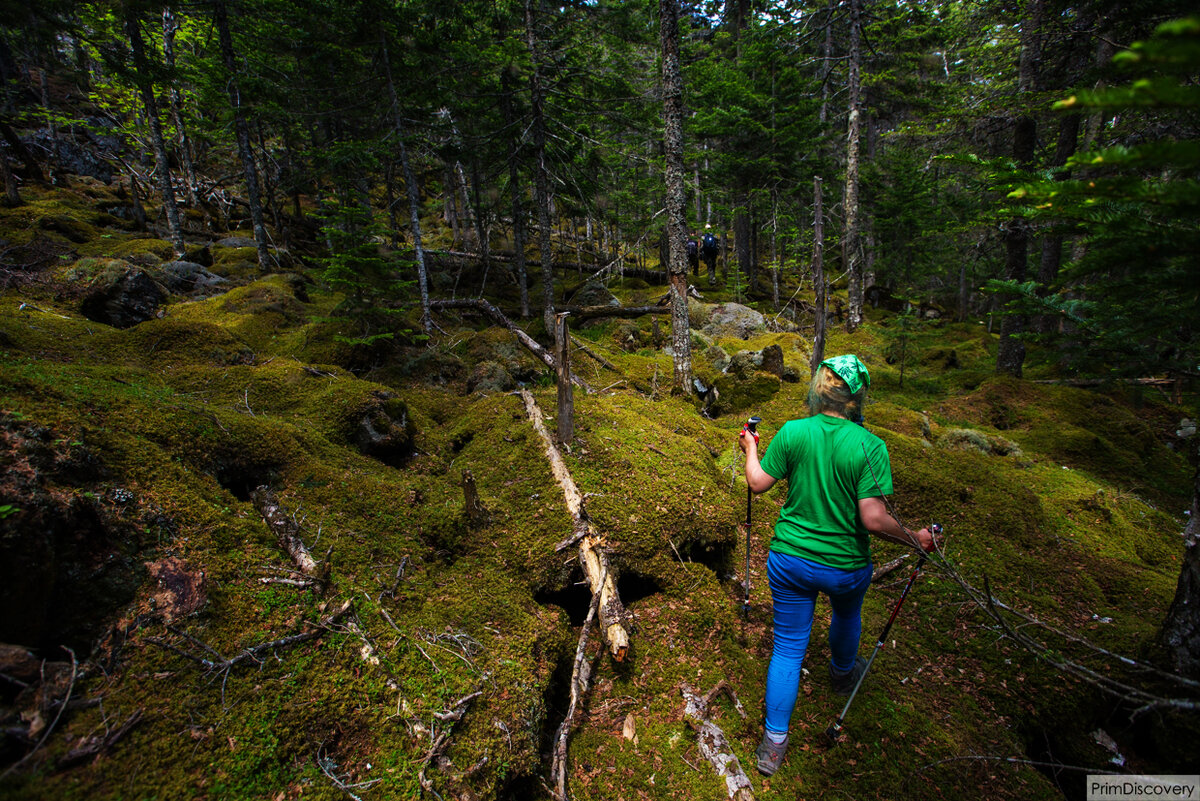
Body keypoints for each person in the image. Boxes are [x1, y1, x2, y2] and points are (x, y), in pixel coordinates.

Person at [737, 354, 937, 777]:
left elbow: (756, 483)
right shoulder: (870, 446)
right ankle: (842, 674)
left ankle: (773, 744)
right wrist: (917, 538)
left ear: (819, 388)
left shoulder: (793, 432)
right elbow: (873, 518)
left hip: (789, 558)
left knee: (788, 646)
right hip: (845, 565)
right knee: (848, 614)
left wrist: (751, 447)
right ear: (856, 396)